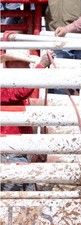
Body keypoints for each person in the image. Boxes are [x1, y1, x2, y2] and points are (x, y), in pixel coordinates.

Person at [1, 49, 53, 191]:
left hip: (17, 147)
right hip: (10, 148)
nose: (27, 68)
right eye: (24, 64)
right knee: (15, 188)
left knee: (23, 187)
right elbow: (21, 92)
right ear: (11, 65)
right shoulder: (5, 85)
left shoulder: (10, 83)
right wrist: (40, 66)